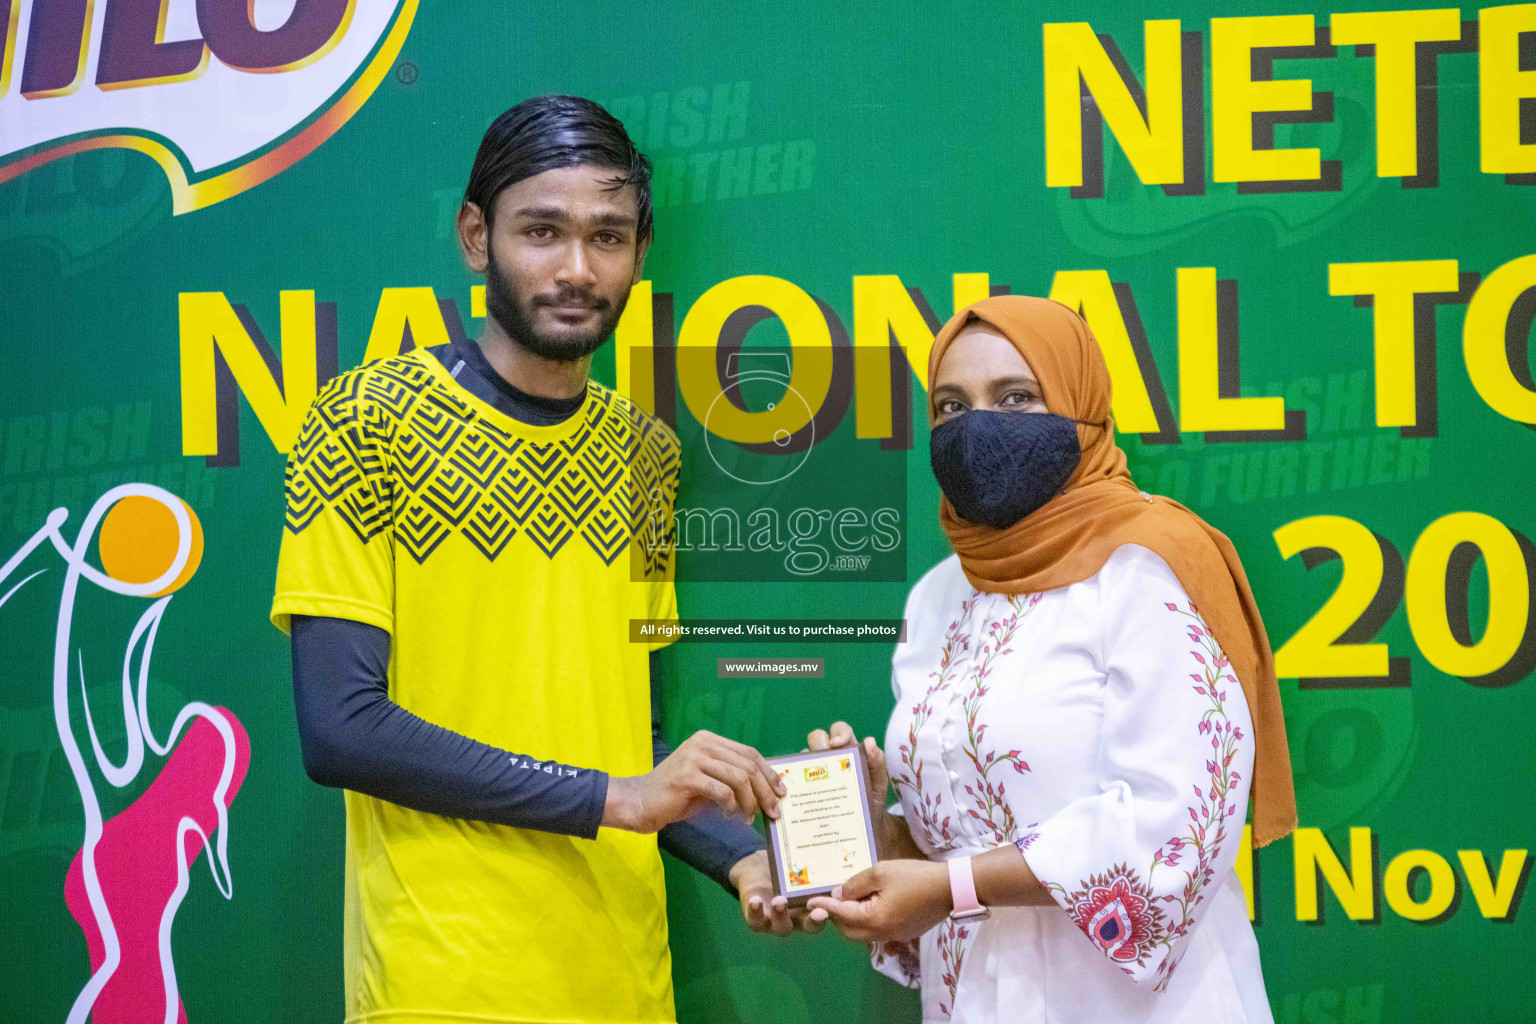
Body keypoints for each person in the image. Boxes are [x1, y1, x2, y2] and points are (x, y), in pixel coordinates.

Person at [270, 96, 801, 1024]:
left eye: (608, 237)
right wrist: (618, 797)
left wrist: (742, 856)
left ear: (639, 255)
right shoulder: (366, 420)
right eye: (541, 231)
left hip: (625, 981)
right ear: (476, 236)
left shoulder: (645, 455)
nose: (575, 269)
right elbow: (341, 727)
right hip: (447, 979)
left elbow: (631, 738)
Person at [804, 295, 1297, 1022]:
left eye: (1016, 397)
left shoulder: (1150, 563)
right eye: (949, 407)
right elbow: (955, 837)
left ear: (1081, 405)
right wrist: (873, 825)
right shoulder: (938, 597)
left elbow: (1167, 830)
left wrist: (950, 889)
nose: (976, 427)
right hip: (974, 998)